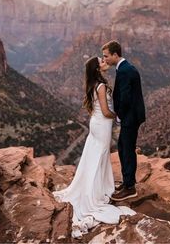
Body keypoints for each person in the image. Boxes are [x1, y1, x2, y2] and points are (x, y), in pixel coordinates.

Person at [54, 56, 135, 238]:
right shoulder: (101, 86)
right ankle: (97, 190)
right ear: (98, 69)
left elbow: (98, 109)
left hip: (96, 123)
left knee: (96, 155)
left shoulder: (95, 84)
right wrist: (119, 115)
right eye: (102, 62)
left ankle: (98, 186)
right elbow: (106, 111)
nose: (105, 62)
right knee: (100, 154)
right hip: (102, 124)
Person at [102, 41, 145, 202]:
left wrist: (119, 115)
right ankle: (128, 182)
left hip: (130, 116)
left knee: (127, 149)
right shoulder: (125, 68)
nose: (105, 59)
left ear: (115, 55)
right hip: (131, 115)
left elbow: (125, 97)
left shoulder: (125, 71)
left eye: (106, 56)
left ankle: (130, 187)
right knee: (123, 147)